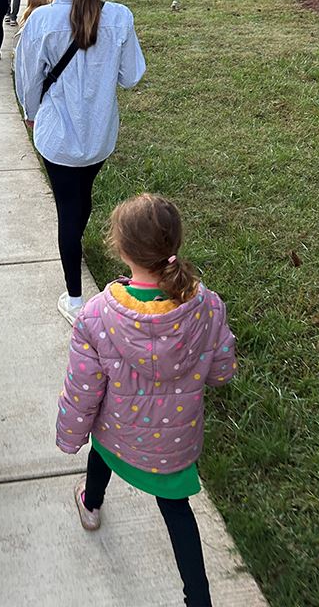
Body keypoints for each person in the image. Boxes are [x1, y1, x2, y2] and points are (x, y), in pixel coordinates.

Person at [56, 194, 237, 607]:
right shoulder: (206, 306)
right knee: (177, 513)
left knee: (101, 453)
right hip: (173, 446)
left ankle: (91, 503)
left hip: (116, 429)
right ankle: (199, 599)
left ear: (120, 250)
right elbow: (222, 367)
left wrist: (69, 435)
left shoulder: (98, 315)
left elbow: (82, 390)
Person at [15, 0, 145, 324]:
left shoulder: (42, 21)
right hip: (100, 137)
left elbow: (27, 80)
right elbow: (131, 75)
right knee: (79, 199)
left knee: (68, 211)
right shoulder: (120, 18)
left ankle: (74, 299)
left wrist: (32, 114)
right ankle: (76, 242)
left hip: (57, 139)